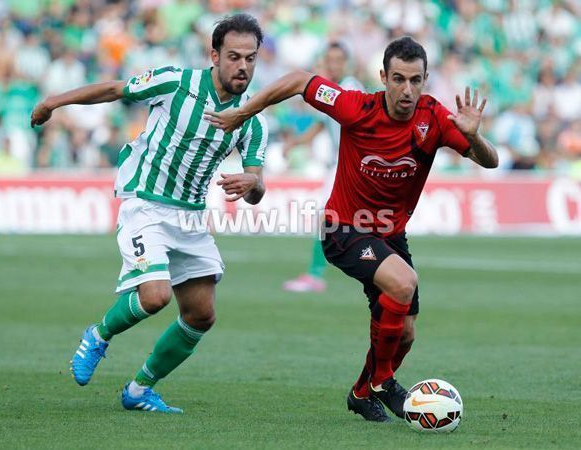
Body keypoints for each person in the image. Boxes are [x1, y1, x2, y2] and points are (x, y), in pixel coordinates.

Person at [205, 36, 498, 422]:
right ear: (383, 77)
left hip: (390, 236)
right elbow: (298, 80)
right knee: (403, 282)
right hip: (344, 228)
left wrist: (474, 134)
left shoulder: (436, 118)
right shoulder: (356, 106)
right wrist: (243, 113)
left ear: (425, 80)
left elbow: (490, 162)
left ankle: (363, 393)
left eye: (415, 80)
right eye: (398, 79)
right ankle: (383, 383)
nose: (406, 90)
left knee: (405, 335)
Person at [30, 13, 268, 414]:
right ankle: (99, 334)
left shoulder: (251, 120)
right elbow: (113, 89)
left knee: (201, 314)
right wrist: (55, 101)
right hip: (146, 203)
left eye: (250, 58)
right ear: (214, 55)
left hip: (191, 217)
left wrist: (252, 185)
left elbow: (257, 187)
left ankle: (140, 389)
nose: (242, 66)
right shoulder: (176, 82)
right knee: (155, 296)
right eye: (234, 56)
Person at [283, 42, 364, 293]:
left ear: (346, 63)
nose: (333, 64)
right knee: (344, 219)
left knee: (328, 217)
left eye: (338, 60)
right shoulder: (334, 89)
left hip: (351, 166)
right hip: (342, 165)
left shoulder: (351, 88)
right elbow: (320, 125)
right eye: (329, 60)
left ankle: (315, 274)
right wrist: (294, 143)